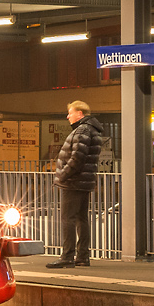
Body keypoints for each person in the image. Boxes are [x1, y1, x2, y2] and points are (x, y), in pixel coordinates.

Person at [50, 100, 104, 268]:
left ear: (79, 114)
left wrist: (63, 175)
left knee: (68, 218)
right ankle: (82, 256)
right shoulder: (93, 130)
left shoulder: (82, 130)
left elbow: (77, 158)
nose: (68, 116)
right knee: (81, 218)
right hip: (84, 181)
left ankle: (67, 256)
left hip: (73, 181)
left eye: (70, 113)